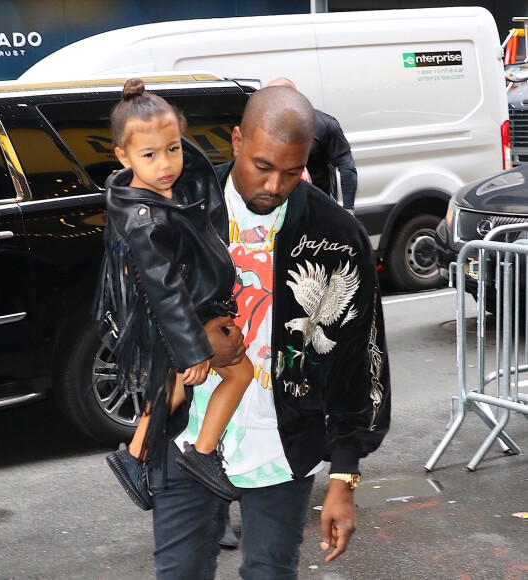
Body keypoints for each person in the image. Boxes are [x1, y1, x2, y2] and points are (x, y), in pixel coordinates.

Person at [147, 84, 391, 579]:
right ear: (237, 140)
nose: (275, 185)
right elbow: (126, 317)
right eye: (262, 166)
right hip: (183, 436)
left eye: (292, 170)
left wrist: (344, 475)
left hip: (282, 446)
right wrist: (190, 338)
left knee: (269, 573)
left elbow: (357, 362)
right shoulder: (181, 213)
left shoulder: (337, 236)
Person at [94, 78, 254, 510]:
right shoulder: (144, 219)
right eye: (149, 155)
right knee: (234, 375)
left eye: (174, 148)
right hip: (178, 325)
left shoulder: (174, 187)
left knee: (174, 390)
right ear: (123, 158)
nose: (166, 163)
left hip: (190, 316)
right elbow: (164, 292)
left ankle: (136, 456)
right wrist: (194, 349)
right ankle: (200, 454)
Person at [267, 77, 358, 214]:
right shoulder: (266, 126)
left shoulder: (325, 125)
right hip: (280, 209)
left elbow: (346, 166)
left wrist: (348, 209)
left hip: (319, 208)